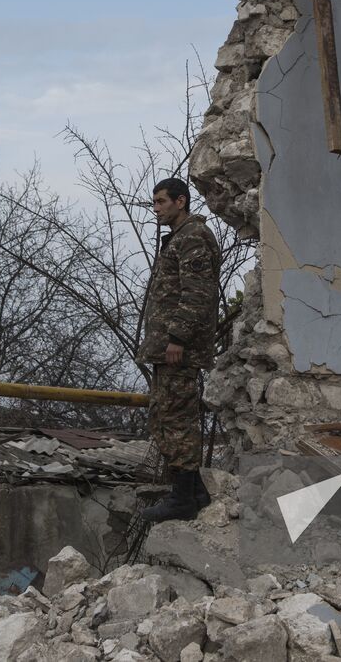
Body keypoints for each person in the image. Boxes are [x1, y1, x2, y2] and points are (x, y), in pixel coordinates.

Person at [138, 176, 222, 523]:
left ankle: (183, 498)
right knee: (164, 415)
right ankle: (195, 492)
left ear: (181, 201)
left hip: (178, 349)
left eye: (161, 202)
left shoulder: (193, 238)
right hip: (166, 347)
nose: (156, 209)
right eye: (155, 202)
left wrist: (178, 338)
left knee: (177, 419)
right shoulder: (178, 239)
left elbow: (197, 292)